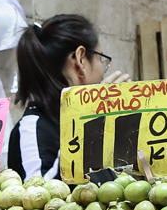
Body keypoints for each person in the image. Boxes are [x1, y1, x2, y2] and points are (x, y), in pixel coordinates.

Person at [7, 14, 132, 180]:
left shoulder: (99, 126)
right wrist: (88, 122)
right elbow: (42, 196)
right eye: (100, 59)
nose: (102, 71)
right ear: (81, 59)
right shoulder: (33, 128)